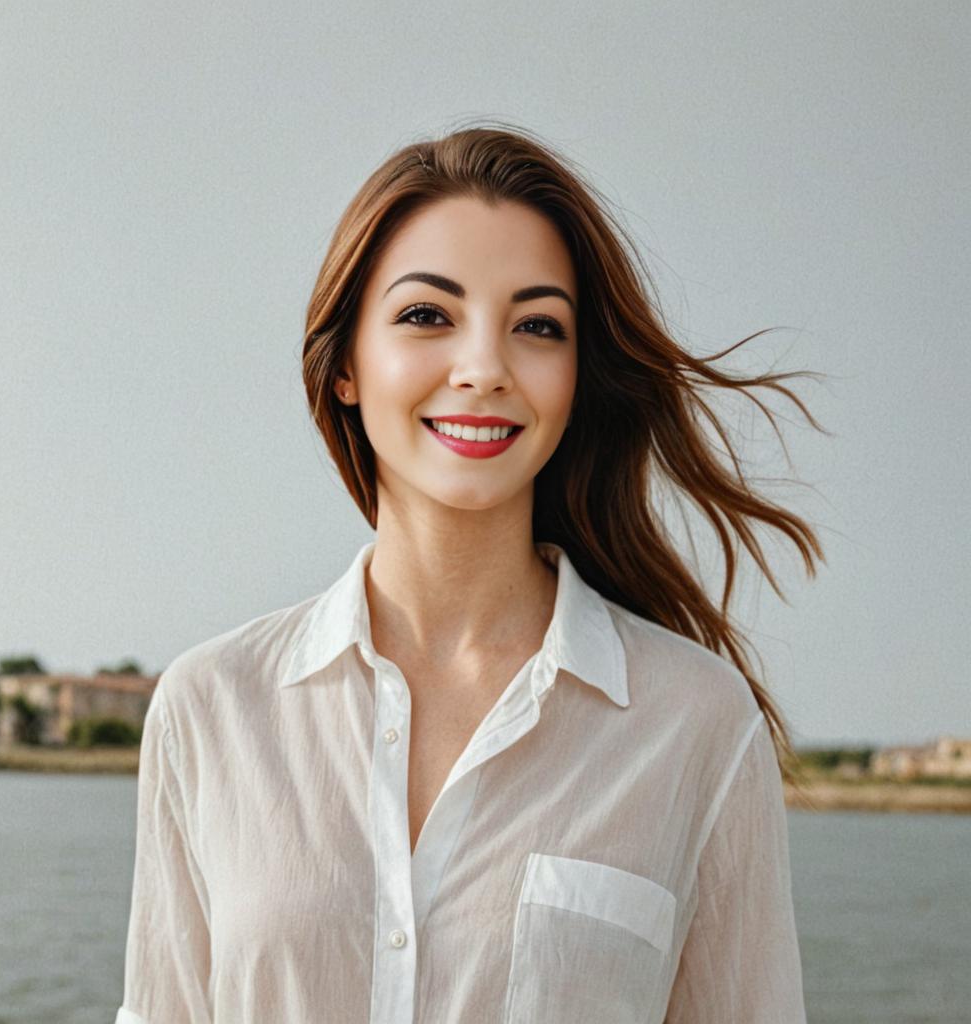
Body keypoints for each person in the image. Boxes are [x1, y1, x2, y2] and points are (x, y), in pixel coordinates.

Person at [115, 120, 823, 1023]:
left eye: (537, 326)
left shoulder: (699, 729)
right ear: (345, 369)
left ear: (577, 375)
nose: (484, 368)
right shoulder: (209, 709)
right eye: (426, 316)